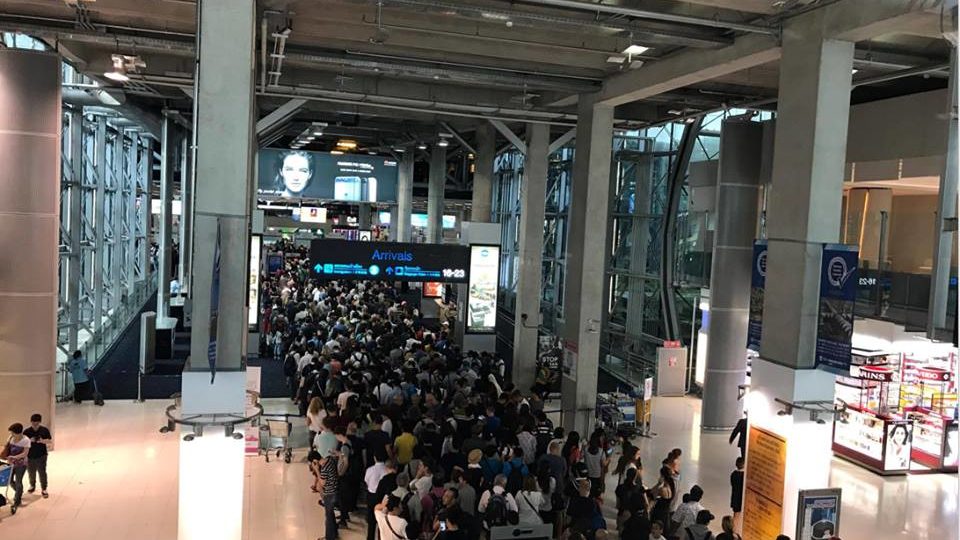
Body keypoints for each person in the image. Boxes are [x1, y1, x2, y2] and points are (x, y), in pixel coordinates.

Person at [4, 423, 31, 514]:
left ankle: (17, 500)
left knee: (19, 481)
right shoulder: (11, 438)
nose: (11, 435)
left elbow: (25, 454)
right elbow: (7, 449)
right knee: (10, 481)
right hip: (11, 464)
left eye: (13, 433)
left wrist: (14, 457)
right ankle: (19, 491)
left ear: (19, 433)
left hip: (21, 464)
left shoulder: (26, 440)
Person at [23, 413, 52, 498]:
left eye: (37, 423)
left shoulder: (44, 430)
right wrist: (29, 440)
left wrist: (42, 441)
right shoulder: (27, 431)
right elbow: (23, 443)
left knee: (42, 472)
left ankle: (44, 488)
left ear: (40, 422)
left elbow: (49, 440)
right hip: (30, 455)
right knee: (31, 472)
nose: (35, 425)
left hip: (41, 455)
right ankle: (32, 485)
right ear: (31, 422)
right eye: (33, 423)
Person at [318, 445, 341, 540]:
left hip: (329, 493)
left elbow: (322, 483)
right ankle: (334, 533)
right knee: (331, 514)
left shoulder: (323, 469)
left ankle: (329, 537)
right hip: (335, 489)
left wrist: (316, 470)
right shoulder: (330, 460)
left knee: (328, 516)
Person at [730, 457, 744, 533]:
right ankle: (735, 529)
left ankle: (734, 528)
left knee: (735, 513)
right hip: (740, 497)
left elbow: (732, 484)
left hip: (735, 496)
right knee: (738, 514)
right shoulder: (743, 476)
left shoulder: (733, 474)